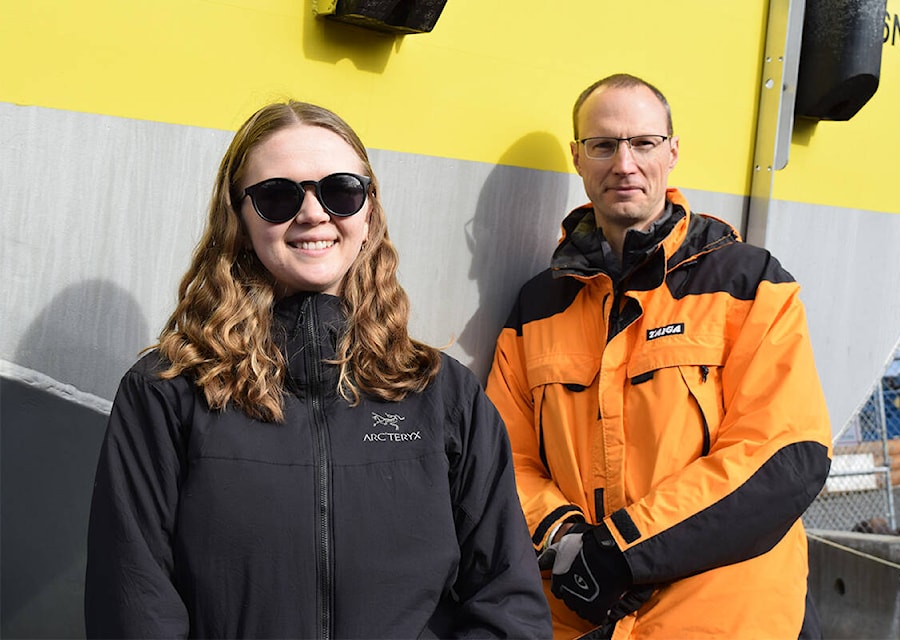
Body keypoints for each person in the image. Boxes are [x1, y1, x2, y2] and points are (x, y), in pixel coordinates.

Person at [85, 100, 552, 639]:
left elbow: (508, 604)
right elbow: (134, 607)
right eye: (278, 196)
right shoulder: (168, 392)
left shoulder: (443, 394)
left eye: (341, 190)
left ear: (369, 209)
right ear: (238, 217)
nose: (312, 214)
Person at [485, 73, 833, 639]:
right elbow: (504, 456)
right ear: (578, 157)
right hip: (582, 617)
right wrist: (562, 536)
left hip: (727, 621)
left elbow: (784, 453)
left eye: (643, 143)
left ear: (672, 151)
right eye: (603, 145)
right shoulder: (537, 307)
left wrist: (623, 550)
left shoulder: (747, 282)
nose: (624, 164)